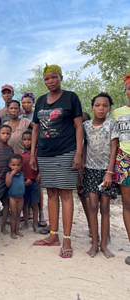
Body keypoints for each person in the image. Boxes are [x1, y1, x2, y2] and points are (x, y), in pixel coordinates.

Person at [30, 64, 83, 259]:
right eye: (46, 78)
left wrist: (78, 153)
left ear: (61, 77)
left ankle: (67, 238)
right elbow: (35, 129)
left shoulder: (71, 97)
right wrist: (33, 153)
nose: (50, 81)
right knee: (51, 192)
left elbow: (78, 127)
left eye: (53, 77)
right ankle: (53, 235)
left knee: (65, 194)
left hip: (66, 151)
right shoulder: (41, 101)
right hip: (44, 153)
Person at [83, 92, 119, 258]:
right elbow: (83, 147)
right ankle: (94, 244)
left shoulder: (111, 124)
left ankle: (104, 245)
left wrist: (109, 173)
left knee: (105, 207)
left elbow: (114, 149)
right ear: (92, 108)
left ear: (109, 108)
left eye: (105, 106)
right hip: (90, 170)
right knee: (92, 206)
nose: (101, 108)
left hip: (106, 171)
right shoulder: (86, 125)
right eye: (98, 105)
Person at [112, 74, 130, 266]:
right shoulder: (117, 113)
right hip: (124, 161)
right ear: (125, 91)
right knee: (128, 205)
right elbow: (114, 141)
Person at [19, 130, 40, 233]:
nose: (27, 142)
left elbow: (42, 166)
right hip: (24, 182)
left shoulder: (37, 153)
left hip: (35, 182)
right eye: (25, 139)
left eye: (29, 139)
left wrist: (40, 174)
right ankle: (26, 223)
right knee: (25, 204)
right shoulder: (20, 154)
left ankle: (35, 224)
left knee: (35, 203)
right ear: (22, 141)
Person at [77, 112, 91, 234]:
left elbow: (86, 143)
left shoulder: (86, 123)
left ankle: (93, 226)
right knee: (82, 194)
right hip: (76, 162)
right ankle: (91, 225)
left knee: (89, 196)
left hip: (88, 163)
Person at [6, 154, 25, 239]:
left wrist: (26, 184)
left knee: (18, 214)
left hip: (21, 197)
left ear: (21, 165)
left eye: (18, 165)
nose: (16, 167)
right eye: (13, 165)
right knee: (13, 214)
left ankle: (17, 230)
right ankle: (12, 232)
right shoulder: (8, 174)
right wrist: (11, 175)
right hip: (13, 198)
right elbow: (8, 184)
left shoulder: (22, 174)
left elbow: (21, 184)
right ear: (9, 165)